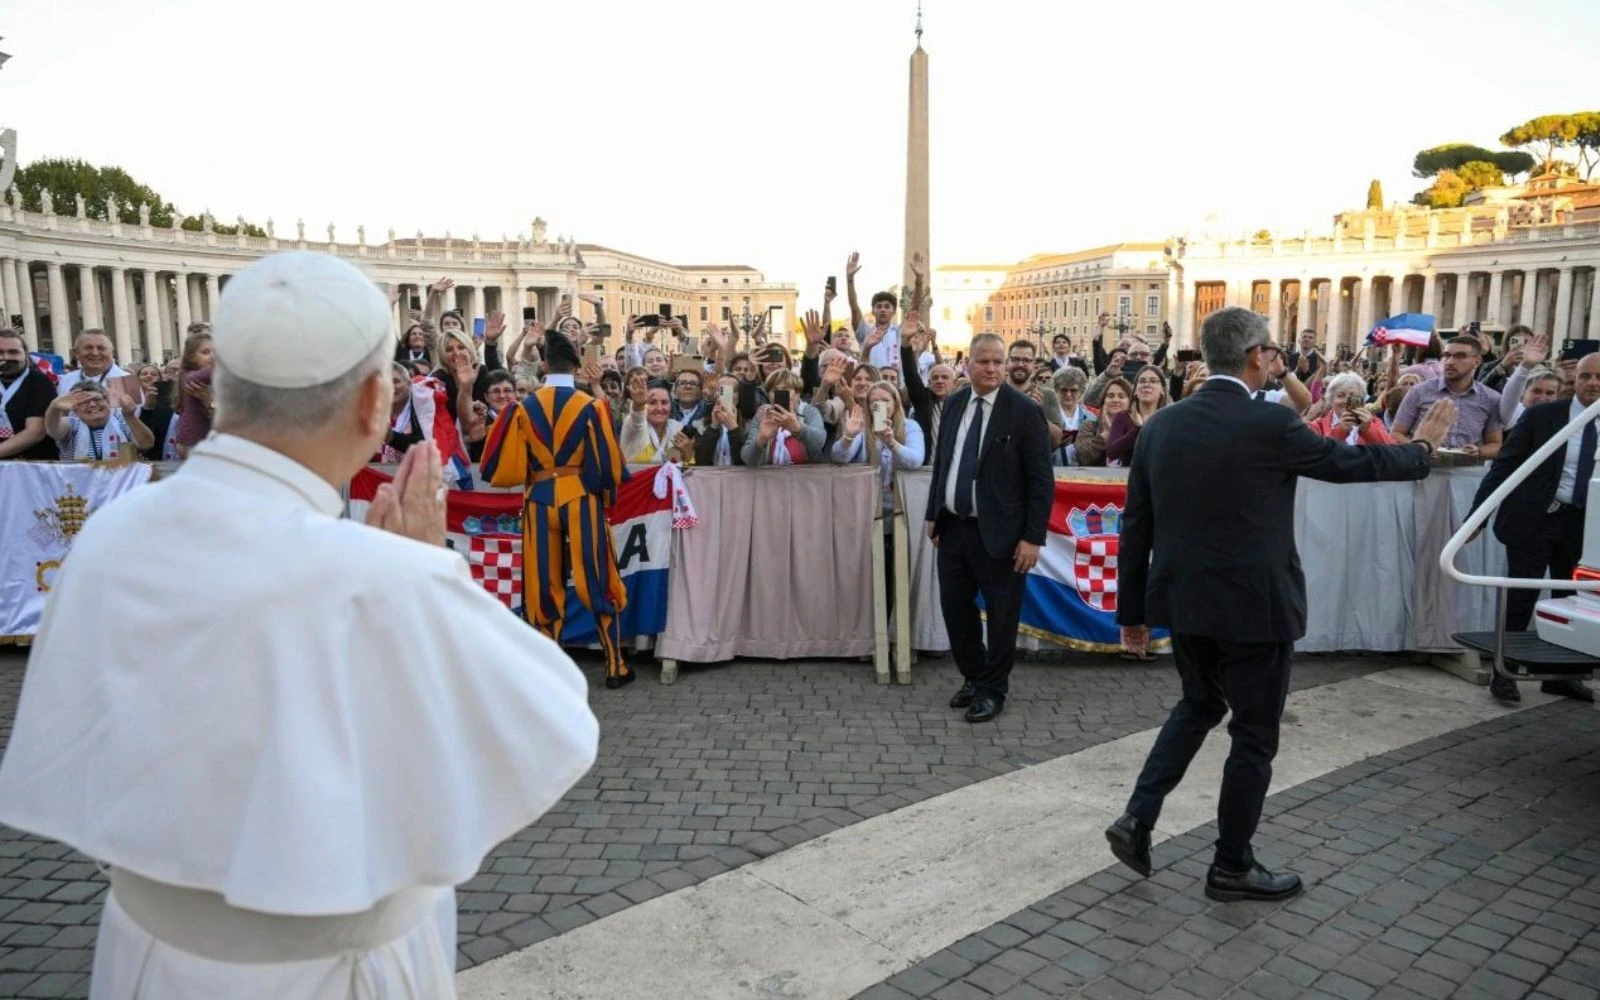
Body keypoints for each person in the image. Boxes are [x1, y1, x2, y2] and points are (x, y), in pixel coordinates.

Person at [0, 251, 599, 998]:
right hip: (336, 974)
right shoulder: (386, 574)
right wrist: (429, 572)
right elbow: (554, 726)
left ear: (220, 387)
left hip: (145, 957)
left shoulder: (109, 536)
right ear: (374, 401)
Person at [1108, 307, 1455, 902]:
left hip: (1186, 599)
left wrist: (1132, 615)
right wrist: (1422, 449)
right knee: (1253, 735)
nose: (1274, 360)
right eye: (1270, 351)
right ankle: (1231, 865)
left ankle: (1138, 818)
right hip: (1255, 605)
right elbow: (1350, 464)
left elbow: (1135, 526)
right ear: (1253, 356)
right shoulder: (1269, 423)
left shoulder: (1161, 426)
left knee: (1197, 704)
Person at [481, 327, 634, 688]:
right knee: (596, 575)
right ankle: (615, 666)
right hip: (580, 496)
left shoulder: (522, 407)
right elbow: (610, 466)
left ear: (544, 364)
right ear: (577, 366)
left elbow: (504, 466)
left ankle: (550, 671)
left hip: (538, 499)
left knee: (543, 583)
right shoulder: (592, 405)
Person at [924, 333, 1053, 724]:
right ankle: (974, 676)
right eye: (985, 361)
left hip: (1003, 534)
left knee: (1001, 615)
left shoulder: (1023, 411)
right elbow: (944, 461)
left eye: (999, 361)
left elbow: (1041, 481)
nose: (993, 368)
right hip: (953, 527)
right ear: (969, 365)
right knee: (955, 610)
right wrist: (934, 512)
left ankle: (993, 689)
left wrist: (1032, 538)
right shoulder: (955, 403)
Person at [1467, 351, 1600, 705]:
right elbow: (1505, 466)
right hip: (1534, 518)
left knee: (1571, 600)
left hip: (1582, 525)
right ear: (1575, 381)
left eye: (1599, 377)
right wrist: (1478, 514)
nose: (1592, 383)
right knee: (1521, 595)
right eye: (1586, 376)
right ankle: (1504, 671)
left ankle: (1563, 676)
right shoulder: (1543, 417)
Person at [1392, 335, 1503, 457]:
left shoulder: (1490, 398)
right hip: (1425, 469)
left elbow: (1495, 444)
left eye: (1460, 356)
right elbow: (1395, 434)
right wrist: (1420, 449)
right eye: (1447, 355)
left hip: (1469, 471)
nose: (1450, 362)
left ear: (1476, 362)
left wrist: (1479, 451)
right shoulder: (1419, 391)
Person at [45, 380, 154, 459]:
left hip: (119, 485)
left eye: (97, 399)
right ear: (75, 408)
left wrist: (130, 416)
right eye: (84, 402)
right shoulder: (73, 424)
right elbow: (53, 430)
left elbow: (146, 444)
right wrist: (53, 408)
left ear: (108, 402)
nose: (92, 404)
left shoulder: (122, 421)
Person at [0, 328, 58, 460]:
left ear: (25, 354)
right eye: (0, 352)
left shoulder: (40, 382)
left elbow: (36, 432)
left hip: (30, 467)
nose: (5, 357)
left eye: (13, 352)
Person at [56, 328, 142, 404]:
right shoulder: (66, 380)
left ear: (112, 352)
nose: (95, 353)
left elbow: (131, 419)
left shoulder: (125, 380)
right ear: (76, 353)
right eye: (88, 348)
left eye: (101, 348)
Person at [1308, 371, 1395, 444]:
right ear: (1332, 399)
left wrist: (1368, 429)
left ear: (1362, 400)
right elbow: (1318, 456)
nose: (1346, 401)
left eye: (1353, 396)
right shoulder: (1316, 426)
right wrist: (1340, 431)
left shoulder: (1374, 422)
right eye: (1340, 395)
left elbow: (1390, 451)